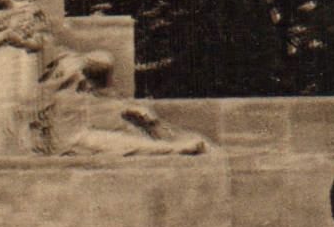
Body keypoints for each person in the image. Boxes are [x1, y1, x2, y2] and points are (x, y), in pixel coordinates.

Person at [36, 49, 209, 156]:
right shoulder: (63, 88)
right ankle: (176, 149)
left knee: (125, 140)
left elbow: (103, 63)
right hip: (74, 141)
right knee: (126, 143)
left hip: (80, 136)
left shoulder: (76, 88)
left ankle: (174, 147)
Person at [0, 0, 49, 155]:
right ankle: (2, 148)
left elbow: (38, 42)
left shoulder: (28, 9)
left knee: (24, 99)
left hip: (23, 58)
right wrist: (8, 34)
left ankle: (26, 145)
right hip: (0, 61)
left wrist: (23, 42)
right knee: (2, 105)